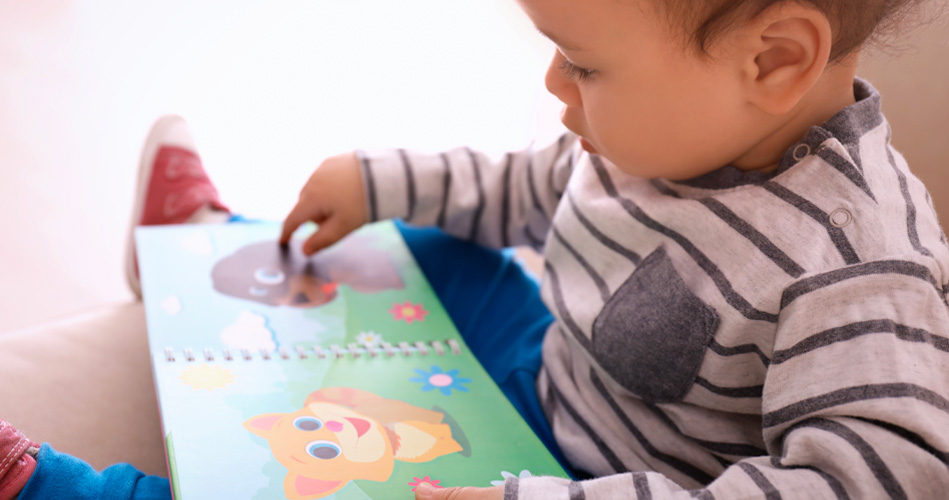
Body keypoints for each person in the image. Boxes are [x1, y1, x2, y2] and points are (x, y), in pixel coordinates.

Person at [3, 0, 947, 498]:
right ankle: (207, 241)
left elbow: (863, 486)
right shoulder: (678, 129)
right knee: (434, 249)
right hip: (542, 364)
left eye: (582, 64)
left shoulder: (858, 272)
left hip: (600, 479)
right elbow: (530, 188)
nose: (553, 84)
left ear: (773, 60)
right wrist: (382, 182)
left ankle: (48, 485)